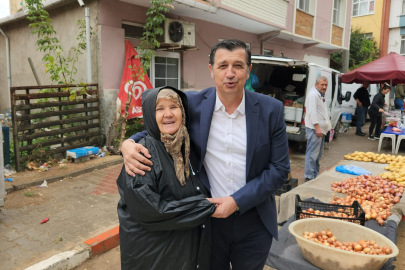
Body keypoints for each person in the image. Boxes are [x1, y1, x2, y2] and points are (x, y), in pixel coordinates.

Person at [121, 39, 290, 270]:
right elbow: (161, 125)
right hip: (208, 221)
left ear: (249, 71)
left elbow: (280, 169)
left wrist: (237, 201)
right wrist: (128, 143)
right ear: (211, 70)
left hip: (254, 221)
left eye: (238, 65)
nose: (230, 73)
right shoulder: (193, 103)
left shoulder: (271, 110)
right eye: (222, 66)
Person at [117, 87, 216, 270]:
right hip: (154, 257)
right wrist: (206, 207)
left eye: (174, 106)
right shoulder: (142, 154)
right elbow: (149, 209)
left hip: (184, 252)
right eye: (159, 108)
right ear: (149, 114)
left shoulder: (185, 146)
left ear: (183, 111)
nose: (168, 114)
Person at [304, 76, 331, 182]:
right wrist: (317, 128)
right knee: (312, 154)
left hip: (320, 130)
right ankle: (309, 176)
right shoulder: (313, 94)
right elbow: (311, 112)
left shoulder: (320, 94)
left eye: (326, 85)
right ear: (316, 85)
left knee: (317, 155)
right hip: (314, 129)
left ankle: (314, 175)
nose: (324, 87)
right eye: (322, 85)